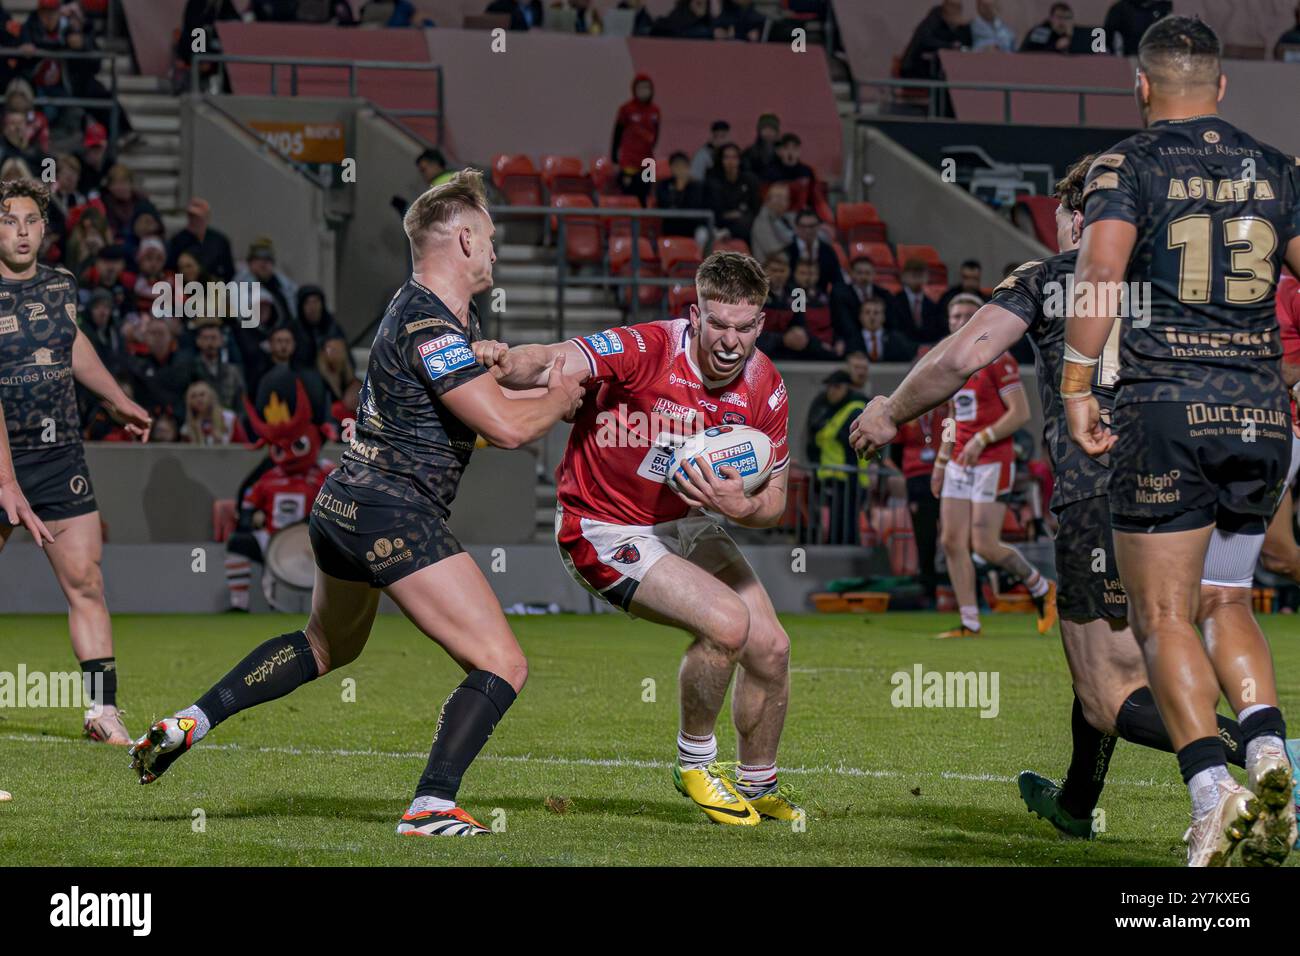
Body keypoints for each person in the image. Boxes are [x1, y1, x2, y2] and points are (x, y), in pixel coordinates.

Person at [129, 170, 585, 839]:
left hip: (343, 505)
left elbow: (475, 402)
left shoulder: (432, 314)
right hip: (393, 512)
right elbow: (508, 429)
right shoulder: (430, 322)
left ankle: (190, 721)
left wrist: (495, 369)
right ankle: (431, 806)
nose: (493, 251)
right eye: (487, 237)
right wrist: (567, 393)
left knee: (322, 646)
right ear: (462, 238)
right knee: (502, 663)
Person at [851, 153, 1261, 846]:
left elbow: (961, 357)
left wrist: (891, 410)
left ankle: (1270, 759)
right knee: (1117, 656)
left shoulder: (1048, 278)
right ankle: (1077, 802)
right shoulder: (1177, 280)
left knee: (1113, 694)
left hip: (1100, 489)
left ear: (1075, 219)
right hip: (1191, 494)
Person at [1061, 16, 1300, 866]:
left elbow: (1097, 276)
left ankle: (1213, 791)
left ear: (1141, 85)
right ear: (1222, 87)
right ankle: (1270, 749)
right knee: (1229, 601)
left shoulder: (1129, 164)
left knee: (1163, 617)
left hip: (1168, 408)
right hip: (1264, 411)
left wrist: (1078, 385)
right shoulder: (1276, 169)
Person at [479, 251, 802, 827]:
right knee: (728, 624)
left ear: (761, 324)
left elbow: (774, 501)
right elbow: (554, 360)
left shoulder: (767, 386)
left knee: (771, 649)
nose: (730, 340)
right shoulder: (646, 347)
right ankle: (695, 764)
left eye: (744, 327)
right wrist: (498, 361)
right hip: (603, 524)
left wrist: (743, 505)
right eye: (718, 324)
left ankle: (759, 782)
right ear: (695, 314)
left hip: (685, 523)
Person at [0, 179, 152, 745]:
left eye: (31, 220)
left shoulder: (62, 284)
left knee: (86, 580)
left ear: (44, 228)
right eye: (8, 219)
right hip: (1, 460)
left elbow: (71, 344)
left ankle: (102, 711)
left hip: (59, 453)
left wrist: (116, 399)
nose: (21, 231)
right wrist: (6, 480)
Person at [931, 294, 1056, 638]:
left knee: (984, 544)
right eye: (955, 315)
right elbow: (953, 418)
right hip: (959, 459)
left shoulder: (999, 359)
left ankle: (1041, 587)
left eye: (968, 315)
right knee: (952, 540)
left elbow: (1021, 413)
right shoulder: (950, 361)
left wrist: (981, 438)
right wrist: (942, 461)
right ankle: (970, 622)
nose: (960, 321)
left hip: (990, 459)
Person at [806, 369, 869, 544]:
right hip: (834, 477)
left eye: (837, 387)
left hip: (849, 477)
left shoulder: (854, 410)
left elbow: (850, 445)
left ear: (846, 388)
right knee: (835, 527)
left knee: (846, 529)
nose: (831, 391)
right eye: (830, 387)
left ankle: (850, 565)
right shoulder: (830, 410)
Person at [611, 73, 659, 204]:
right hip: (629, 161)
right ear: (634, 89)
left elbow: (656, 136)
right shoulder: (626, 109)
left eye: (647, 87)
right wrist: (614, 158)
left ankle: (643, 224)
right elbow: (617, 134)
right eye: (641, 87)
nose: (644, 91)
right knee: (630, 196)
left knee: (645, 196)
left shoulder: (655, 111)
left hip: (648, 162)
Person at [704, 142, 761, 244]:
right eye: (726, 157)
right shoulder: (713, 181)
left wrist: (740, 214)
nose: (731, 161)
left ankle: (728, 233)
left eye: (734, 157)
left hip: (744, 224)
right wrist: (732, 214)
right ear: (721, 160)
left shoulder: (750, 180)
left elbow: (755, 208)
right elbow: (715, 211)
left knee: (752, 222)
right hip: (719, 223)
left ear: (739, 160)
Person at [901, 0, 972, 80]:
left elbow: (963, 45)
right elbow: (925, 40)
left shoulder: (958, 26)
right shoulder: (935, 19)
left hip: (937, 69)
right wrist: (950, 46)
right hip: (915, 68)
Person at [784, 208, 842, 296]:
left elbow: (837, 280)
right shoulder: (787, 250)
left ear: (819, 226)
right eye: (803, 226)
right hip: (791, 297)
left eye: (811, 226)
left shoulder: (827, 251)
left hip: (821, 299)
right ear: (796, 227)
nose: (807, 230)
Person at [888, 257, 946, 343]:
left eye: (920, 274)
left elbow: (934, 331)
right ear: (903, 276)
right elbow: (894, 329)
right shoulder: (894, 301)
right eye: (914, 274)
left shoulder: (932, 304)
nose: (917, 278)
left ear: (927, 277)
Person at [654, 151, 705, 239]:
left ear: (688, 167)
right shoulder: (663, 185)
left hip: (691, 228)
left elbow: (694, 206)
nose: (680, 169)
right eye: (676, 166)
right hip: (670, 227)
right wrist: (679, 189)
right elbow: (663, 204)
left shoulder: (697, 186)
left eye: (683, 166)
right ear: (671, 167)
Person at [849, 296, 915, 363]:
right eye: (867, 312)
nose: (872, 317)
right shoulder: (851, 340)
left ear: (883, 316)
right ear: (860, 316)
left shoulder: (896, 339)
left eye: (876, 313)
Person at [1102, 0, 1171, 56]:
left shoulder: (1163, 9)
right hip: (1126, 59)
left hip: (1154, 60)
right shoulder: (1119, 9)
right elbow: (1108, 40)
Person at [749, 180, 794, 265]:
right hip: (770, 267)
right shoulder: (761, 221)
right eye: (778, 197)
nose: (781, 201)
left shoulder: (788, 218)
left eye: (785, 198)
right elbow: (773, 252)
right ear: (767, 200)